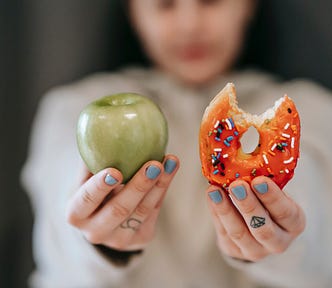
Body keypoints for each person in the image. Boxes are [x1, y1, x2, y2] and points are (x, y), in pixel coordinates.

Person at [21, 0, 332, 287]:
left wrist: (283, 237)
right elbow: (58, 226)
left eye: (211, 0)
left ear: (248, 5)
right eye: (164, 4)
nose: (189, 25)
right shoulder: (69, 109)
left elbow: (312, 205)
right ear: (133, 11)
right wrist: (96, 240)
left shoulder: (314, 109)